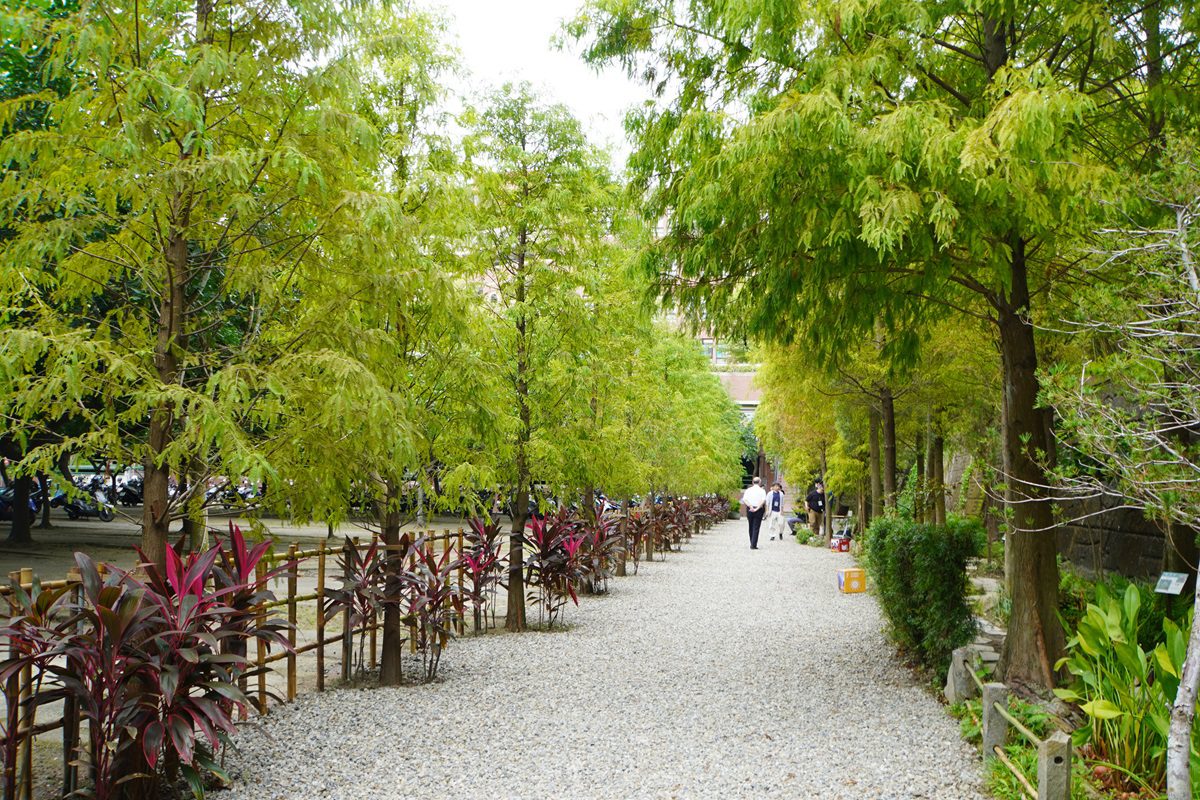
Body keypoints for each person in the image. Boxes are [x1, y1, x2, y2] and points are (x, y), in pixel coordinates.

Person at [741, 477, 767, 549]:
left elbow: (745, 499)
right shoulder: (762, 491)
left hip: (750, 509)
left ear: (752, 482)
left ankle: (752, 542)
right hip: (759, 509)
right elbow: (763, 500)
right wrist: (757, 508)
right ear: (760, 482)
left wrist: (750, 506)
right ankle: (753, 544)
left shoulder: (748, 490)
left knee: (750, 526)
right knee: (756, 527)